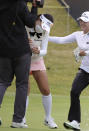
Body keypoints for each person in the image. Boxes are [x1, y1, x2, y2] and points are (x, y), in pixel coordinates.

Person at [48, 11, 89, 131]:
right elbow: (61, 40)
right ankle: (75, 121)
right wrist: (47, 37)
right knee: (74, 92)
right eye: (81, 20)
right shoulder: (77, 34)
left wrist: (84, 52)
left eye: (85, 21)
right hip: (85, 70)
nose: (82, 23)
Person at [0, 0, 38, 128]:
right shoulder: (20, 4)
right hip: (21, 51)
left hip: (3, 50)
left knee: (3, 82)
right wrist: (34, 7)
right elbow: (31, 22)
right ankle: (17, 120)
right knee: (22, 84)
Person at [23, 14, 58, 129]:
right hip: (24, 60)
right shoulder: (26, 26)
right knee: (25, 90)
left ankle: (48, 118)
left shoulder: (45, 32)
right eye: (42, 25)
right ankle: (21, 118)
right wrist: (29, 49)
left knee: (45, 90)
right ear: (38, 20)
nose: (43, 29)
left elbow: (45, 50)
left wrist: (38, 51)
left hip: (37, 60)